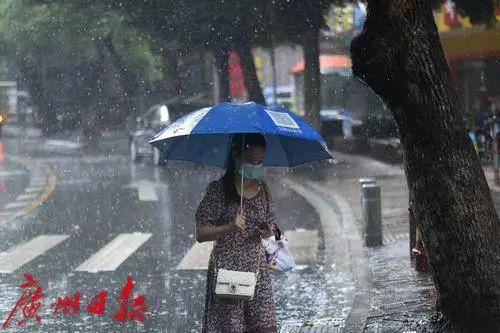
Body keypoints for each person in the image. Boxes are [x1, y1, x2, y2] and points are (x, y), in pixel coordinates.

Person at [195, 133, 278, 333]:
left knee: (264, 327)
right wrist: (229, 228)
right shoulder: (219, 190)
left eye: (259, 161)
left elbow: (271, 226)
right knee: (231, 327)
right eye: (250, 160)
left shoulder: (263, 189)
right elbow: (200, 233)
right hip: (227, 272)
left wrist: (267, 231)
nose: (256, 166)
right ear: (235, 156)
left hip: (257, 270)